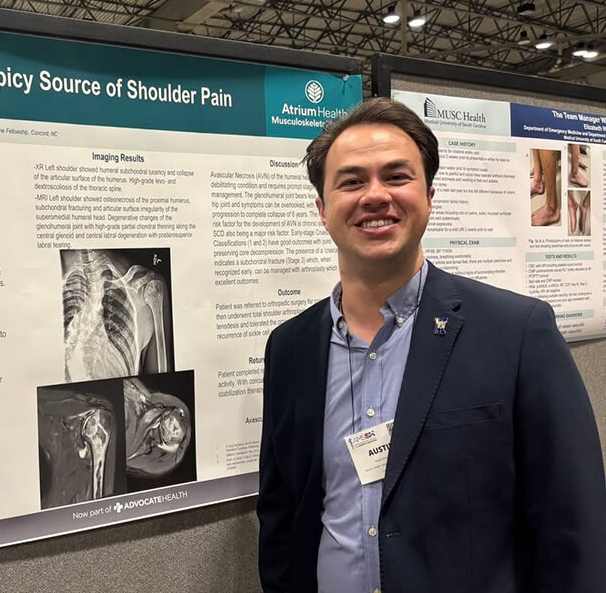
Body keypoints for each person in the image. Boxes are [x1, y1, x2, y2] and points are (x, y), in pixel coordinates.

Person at [257, 97, 605, 593]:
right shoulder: (289, 348)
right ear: (322, 209)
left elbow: (573, 523)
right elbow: (281, 514)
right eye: (352, 181)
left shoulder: (516, 333)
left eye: (397, 177)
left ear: (429, 195)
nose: (374, 196)